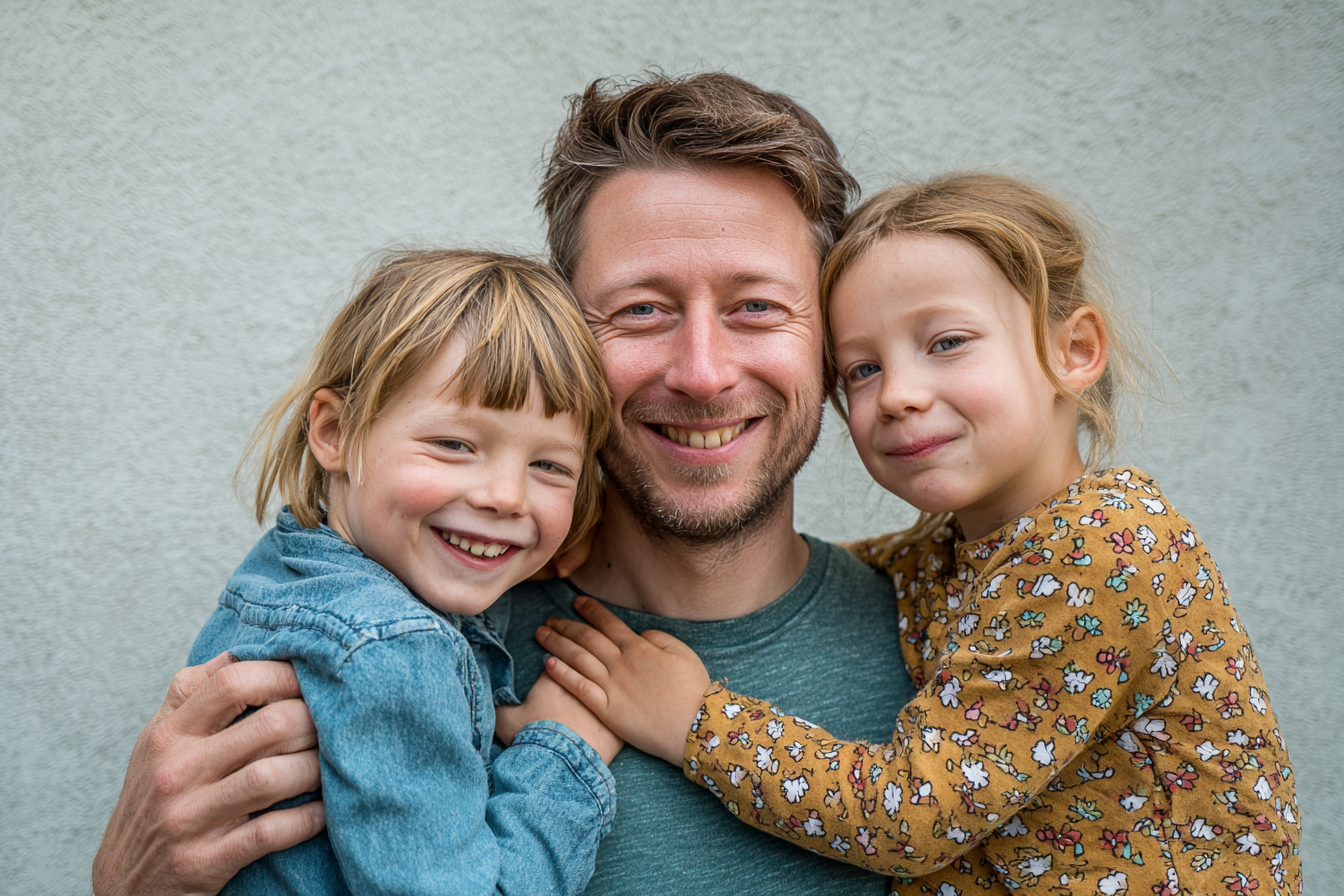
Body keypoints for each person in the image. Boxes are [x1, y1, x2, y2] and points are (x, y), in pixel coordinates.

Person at [92, 73, 915, 896]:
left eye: (758, 308)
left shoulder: (956, 655)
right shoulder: (404, 645)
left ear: (832, 343)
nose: (702, 372)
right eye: (640, 309)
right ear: (563, 335)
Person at [534, 174, 1304, 895]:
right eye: (863, 369)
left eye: (947, 343)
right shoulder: (959, 553)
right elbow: (868, 568)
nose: (898, 395)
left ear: (1074, 351)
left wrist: (699, 722)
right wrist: (560, 514)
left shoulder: (1104, 545)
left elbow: (913, 814)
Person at [186, 249, 622, 894]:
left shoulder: (295, 573)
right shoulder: (392, 648)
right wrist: (562, 748)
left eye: (550, 467)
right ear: (334, 432)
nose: (507, 497)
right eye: (454, 445)